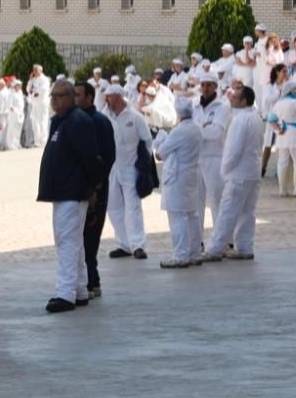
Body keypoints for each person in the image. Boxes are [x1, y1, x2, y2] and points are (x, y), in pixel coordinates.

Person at [37, 80, 103, 313]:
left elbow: (90, 158)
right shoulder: (61, 121)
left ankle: (65, 293)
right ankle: (79, 288)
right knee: (72, 242)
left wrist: (93, 187)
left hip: (72, 192)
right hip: (62, 191)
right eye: (52, 96)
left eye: (59, 96)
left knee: (67, 242)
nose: (54, 100)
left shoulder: (77, 121)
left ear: (71, 97)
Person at [201, 86, 263, 261]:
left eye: (235, 97)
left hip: (238, 174)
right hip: (253, 172)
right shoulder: (256, 118)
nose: (232, 99)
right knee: (248, 212)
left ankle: (214, 249)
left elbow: (233, 150)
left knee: (227, 212)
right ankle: (245, 247)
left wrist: (225, 170)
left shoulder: (240, 120)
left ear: (244, 101)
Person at [75, 81, 116, 298]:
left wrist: (96, 186)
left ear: (90, 97)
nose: (75, 98)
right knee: (80, 238)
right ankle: (90, 279)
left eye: (79, 95)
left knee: (89, 238)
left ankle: (90, 281)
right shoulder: (75, 121)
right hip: (79, 189)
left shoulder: (99, 122)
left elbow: (107, 156)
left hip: (95, 191)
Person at [104, 85, 152, 260]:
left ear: (118, 97)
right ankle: (124, 244)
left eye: (109, 97)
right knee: (114, 207)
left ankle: (137, 244)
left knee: (133, 207)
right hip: (111, 169)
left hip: (130, 167)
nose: (106, 100)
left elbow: (147, 142)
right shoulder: (105, 116)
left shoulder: (135, 117)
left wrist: (143, 165)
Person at [155, 97, 203, 268]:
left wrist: (161, 139)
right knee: (192, 214)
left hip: (177, 177)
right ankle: (195, 253)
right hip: (192, 174)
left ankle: (181, 255)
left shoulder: (179, 131)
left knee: (177, 216)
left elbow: (160, 154)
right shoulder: (197, 129)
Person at [193, 73, 232, 240]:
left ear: (215, 86)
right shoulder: (195, 107)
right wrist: (203, 128)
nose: (205, 88)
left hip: (215, 157)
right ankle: (197, 241)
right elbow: (190, 128)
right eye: (203, 85)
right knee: (196, 202)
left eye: (209, 85)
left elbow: (216, 132)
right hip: (197, 158)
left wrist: (196, 130)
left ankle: (223, 240)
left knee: (217, 200)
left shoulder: (222, 107)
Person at [27, 65, 51, 148]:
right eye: (34, 70)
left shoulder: (45, 79)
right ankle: (37, 141)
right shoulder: (33, 80)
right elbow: (28, 89)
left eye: (36, 70)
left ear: (40, 71)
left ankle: (43, 141)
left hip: (42, 103)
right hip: (35, 104)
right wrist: (30, 80)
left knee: (43, 122)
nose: (35, 72)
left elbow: (42, 90)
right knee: (35, 122)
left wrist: (33, 92)